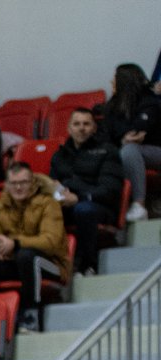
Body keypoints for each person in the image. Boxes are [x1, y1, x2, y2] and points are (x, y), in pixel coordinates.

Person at [0, 164, 69, 312]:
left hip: (51, 264)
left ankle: (30, 316)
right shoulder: (1, 205)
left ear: (32, 182)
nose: (18, 187)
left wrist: (15, 243)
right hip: (15, 261)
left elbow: (51, 242)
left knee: (26, 256)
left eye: (23, 182)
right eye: (13, 183)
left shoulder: (48, 204)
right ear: (7, 184)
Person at [48, 108, 125, 275]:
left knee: (83, 210)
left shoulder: (108, 151)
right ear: (69, 128)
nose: (81, 128)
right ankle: (51, 268)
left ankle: (87, 265)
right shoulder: (59, 155)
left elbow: (110, 190)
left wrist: (78, 198)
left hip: (99, 206)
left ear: (94, 128)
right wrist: (59, 196)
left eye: (86, 124)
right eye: (76, 124)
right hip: (66, 204)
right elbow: (52, 185)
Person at [99, 62, 161, 221]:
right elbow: (107, 134)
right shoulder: (112, 105)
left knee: (130, 149)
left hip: (155, 151)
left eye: (115, 79)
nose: (112, 83)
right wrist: (122, 137)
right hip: (127, 150)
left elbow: (137, 129)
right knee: (111, 152)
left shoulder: (149, 101)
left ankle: (139, 205)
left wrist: (122, 136)